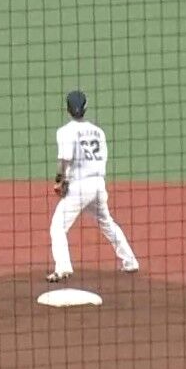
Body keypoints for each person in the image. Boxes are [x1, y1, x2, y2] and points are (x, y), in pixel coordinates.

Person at [47, 89, 140, 281]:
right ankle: (130, 262)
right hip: (98, 184)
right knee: (107, 222)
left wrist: (59, 180)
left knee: (58, 227)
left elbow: (65, 160)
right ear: (85, 108)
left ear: (67, 109)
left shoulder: (65, 131)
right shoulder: (99, 132)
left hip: (80, 187)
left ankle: (63, 268)